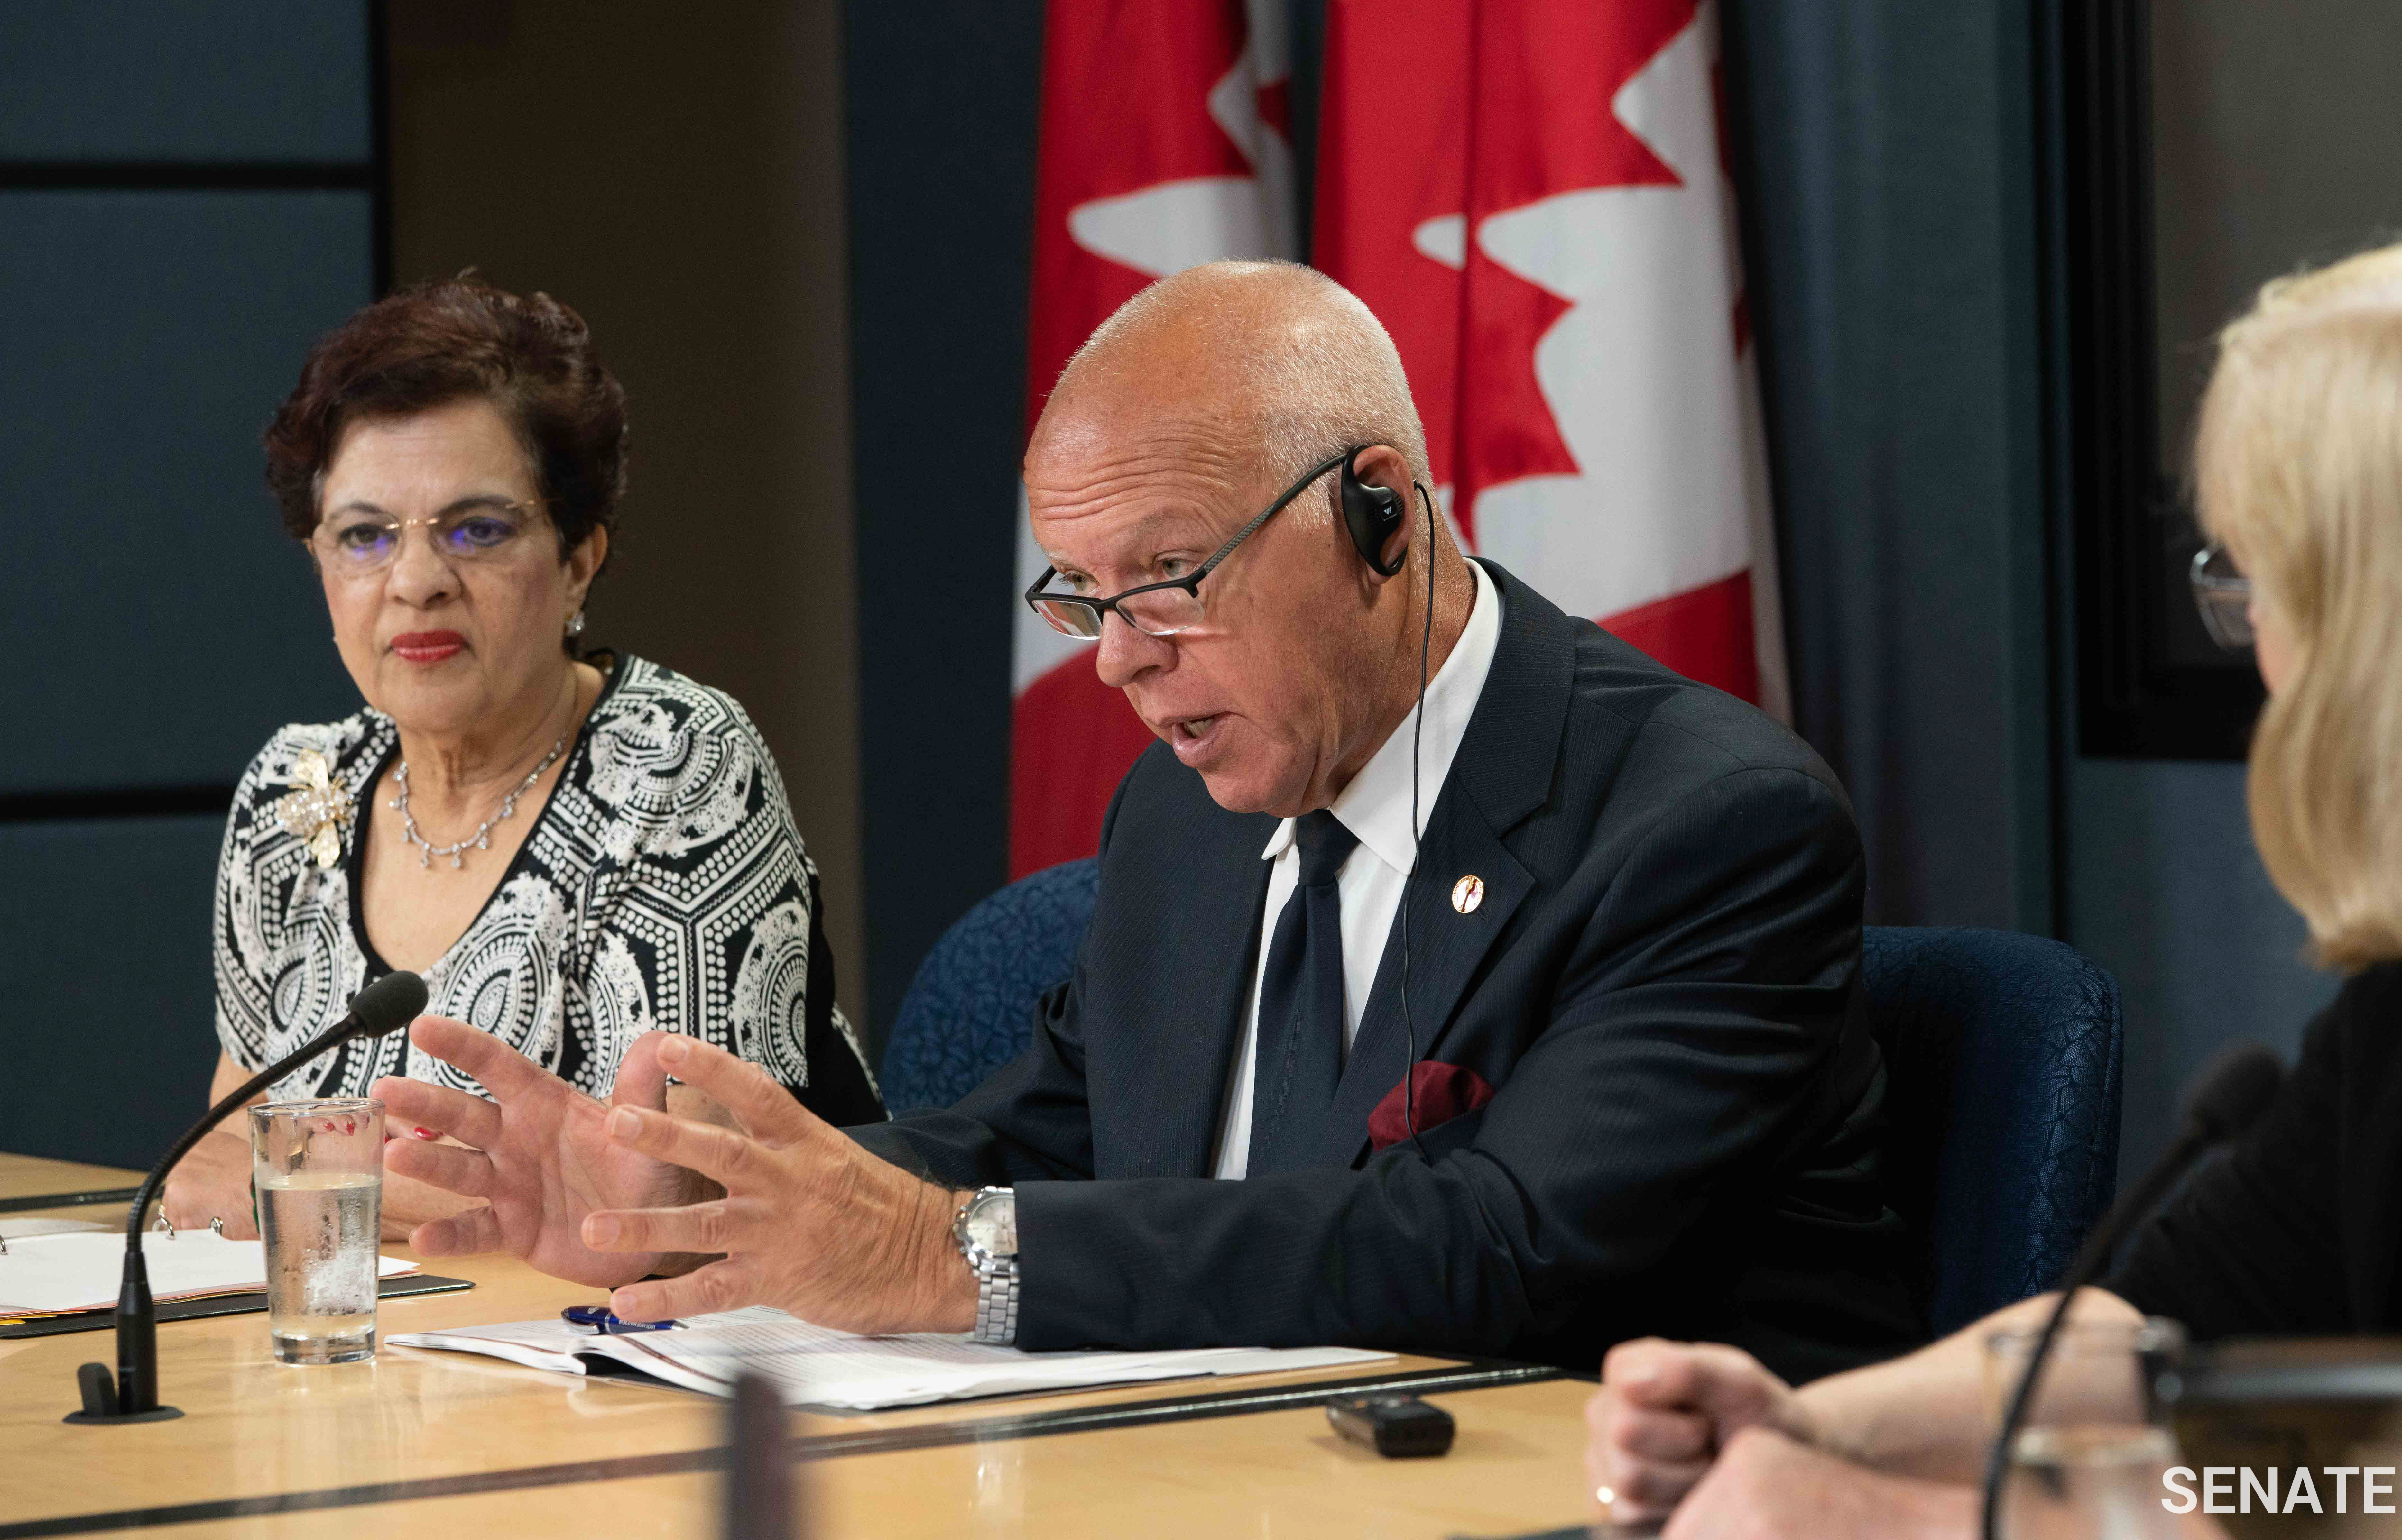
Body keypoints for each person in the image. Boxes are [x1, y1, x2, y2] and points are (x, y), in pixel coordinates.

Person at [378, 260, 1919, 1374]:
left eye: (1169, 582)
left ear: (1375, 512)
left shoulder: (1704, 827)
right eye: (1080, 598)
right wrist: (696, 1208)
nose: (1118, 663)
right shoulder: (1183, 815)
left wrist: (939, 1259)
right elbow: (1042, 1135)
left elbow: (1492, 1247)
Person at [1582, 232, 2402, 1533]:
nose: (2259, 660)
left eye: (2257, 591)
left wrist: (1904, 1523)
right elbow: (2161, 1337)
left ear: (2398, 628)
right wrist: (1813, 1423)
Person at [159, 276, 882, 1242]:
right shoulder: (297, 794)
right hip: (376, 1366)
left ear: (580, 557)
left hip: (658, 1371)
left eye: (478, 530)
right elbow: (202, 1176)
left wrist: (297, 1178)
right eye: (365, 537)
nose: (416, 582)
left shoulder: (675, 768)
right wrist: (418, 1191)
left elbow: (671, 1212)